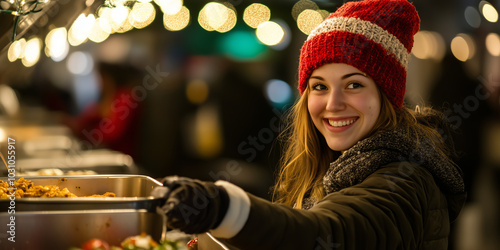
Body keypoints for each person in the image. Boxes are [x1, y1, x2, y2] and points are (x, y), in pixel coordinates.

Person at [152, 0, 467, 249]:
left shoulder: (405, 178)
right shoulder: (344, 162)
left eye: (354, 85)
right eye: (319, 86)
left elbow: (326, 232)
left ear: (386, 96)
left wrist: (221, 207)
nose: (333, 104)